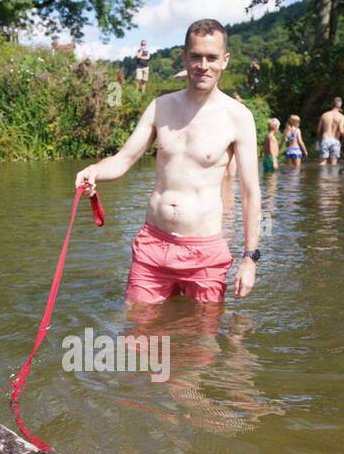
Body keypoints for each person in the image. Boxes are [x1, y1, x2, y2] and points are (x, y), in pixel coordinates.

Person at [75, 19, 261, 303]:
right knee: (136, 334)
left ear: (224, 60)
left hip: (205, 251)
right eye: (196, 56)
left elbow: (250, 193)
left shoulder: (238, 117)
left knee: (201, 340)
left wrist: (249, 259)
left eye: (211, 58)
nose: (203, 65)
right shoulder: (160, 107)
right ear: (184, 58)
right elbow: (124, 159)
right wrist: (94, 171)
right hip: (153, 245)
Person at [316, 97, 344, 165]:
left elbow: (318, 131)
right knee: (333, 165)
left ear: (332, 104)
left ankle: (322, 175)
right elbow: (341, 130)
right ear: (340, 104)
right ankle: (333, 175)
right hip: (335, 140)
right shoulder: (341, 116)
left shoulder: (324, 115)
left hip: (325, 139)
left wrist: (319, 141)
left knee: (322, 163)